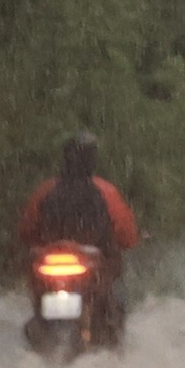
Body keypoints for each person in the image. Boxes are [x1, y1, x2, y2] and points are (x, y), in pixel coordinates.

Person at [18, 133, 139, 334]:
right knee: (117, 297)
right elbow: (126, 236)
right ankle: (113, 338)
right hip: (90, 268)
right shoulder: (106, 192)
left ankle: (41, 326)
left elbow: (25, 231)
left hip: (50, 266)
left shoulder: (45, 190)